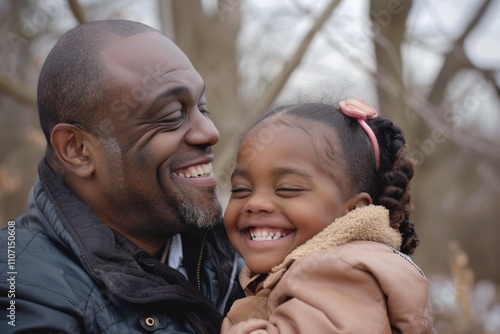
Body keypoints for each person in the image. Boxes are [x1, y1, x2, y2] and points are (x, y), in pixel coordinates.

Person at [0, 20, 243, 333]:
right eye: (172, 116)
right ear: (77, 150)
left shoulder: (242, 254)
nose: (210, 132)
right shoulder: (24, 292)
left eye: (202, 108)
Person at [220, 100, 436, 333]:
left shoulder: (343, 271)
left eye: (288, 188)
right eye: (241, 189)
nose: (254, 203)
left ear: (355, 210)